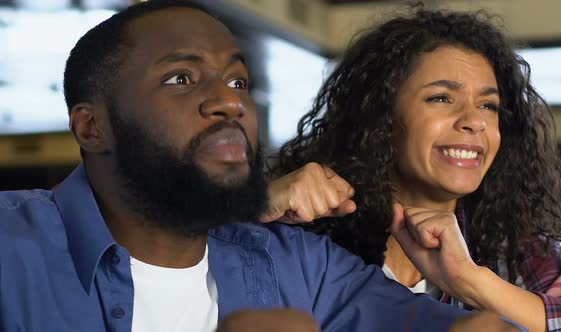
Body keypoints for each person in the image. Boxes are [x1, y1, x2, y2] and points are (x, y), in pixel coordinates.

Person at [0, 1, 523, 331]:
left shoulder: (304, 267)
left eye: (238, 82)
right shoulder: (12, 245)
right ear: (92, 127)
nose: (229, 103)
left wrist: (474, 292)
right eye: (181, 79)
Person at [271, 6, 561, 332]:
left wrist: (467, 279)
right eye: (441, 98)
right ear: (381, 115)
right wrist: (251, 205)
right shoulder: (307, 232)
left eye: (488, 105)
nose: (474, 121)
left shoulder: (515, 246)